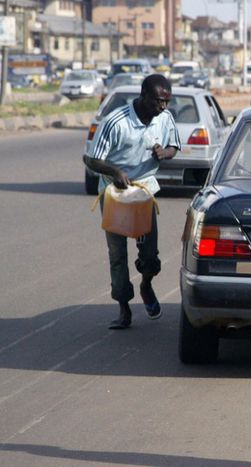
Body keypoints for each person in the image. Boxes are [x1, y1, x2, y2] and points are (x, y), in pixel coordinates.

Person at [83, 74, 181, 330]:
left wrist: (165, 152)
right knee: (117, 254)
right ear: (143, 95)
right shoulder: (115, 122)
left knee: (149, 255)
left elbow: (174, 146)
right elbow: (90, 159)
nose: (162, 107)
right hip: (115, 194)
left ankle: (146, 284)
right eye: (158, 101)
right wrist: (115, 172)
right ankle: (124, 307)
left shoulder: (165, 118)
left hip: (144, 191)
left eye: (166, 102)